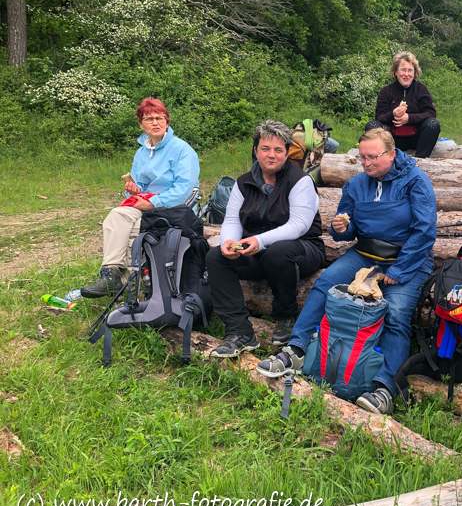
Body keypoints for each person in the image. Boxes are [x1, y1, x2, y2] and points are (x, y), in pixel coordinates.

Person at [257, 128, 437, 415]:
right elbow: (345, 231)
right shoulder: (356, 184)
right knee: (325, 284)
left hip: (408, 258)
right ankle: (297, 350)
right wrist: (340, 227)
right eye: (362, 157)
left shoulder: (415, 180)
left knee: (396, 312)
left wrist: (401, 269)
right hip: (365, 254)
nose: (366, 163)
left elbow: (425, 231)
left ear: (392, 154)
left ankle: (385, 387)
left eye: (373, 157)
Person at [207, 120, 327, 358]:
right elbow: (232, 220)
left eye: (278, 150)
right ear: (256, 151)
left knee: (277, 252)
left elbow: (299, 225)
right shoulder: (243, 182)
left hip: (303, 249)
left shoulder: (300, 181)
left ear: (287, 153)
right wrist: (228, 242)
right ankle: (239, 331)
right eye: (265, 148)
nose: (271, 155)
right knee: (215, 257)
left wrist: (259, 241)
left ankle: (285, 317)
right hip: (256, 249)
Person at [81, 97, 200, 298]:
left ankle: (126, 284)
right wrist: (133, 191)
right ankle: (110, 274)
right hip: (146, 206)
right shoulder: (142, 152)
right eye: (149, 119)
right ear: (141, 124)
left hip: (174, 209)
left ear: (167, 121)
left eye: (160, 118)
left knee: (130, 230)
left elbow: (185, 190)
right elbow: (139, 187)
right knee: (116, 216)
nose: (155, 123)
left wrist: (153, 202)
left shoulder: (182, 150)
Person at [366, 51, 440, 158]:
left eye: (410, 70)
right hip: (392, 139)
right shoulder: (386, 91)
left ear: (414, 72)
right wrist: (393, 114)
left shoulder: (421, 89)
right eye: (403, 70)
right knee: (372, 126)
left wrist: (409, 118)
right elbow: (379, 117)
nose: (406, 74)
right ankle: (383, 158)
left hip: (416, 137)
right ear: (395, 72)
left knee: (433, 123)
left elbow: (431, 113)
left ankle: (421, 160)